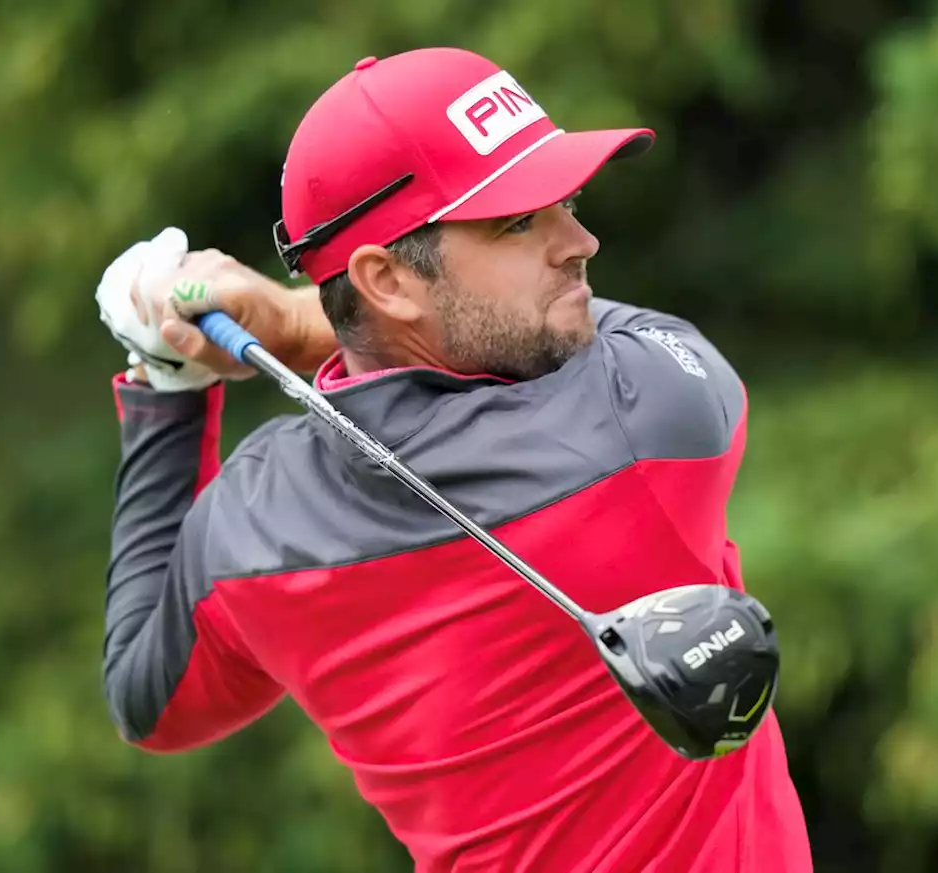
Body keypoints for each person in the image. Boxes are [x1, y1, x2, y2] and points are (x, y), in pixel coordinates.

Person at [95, 46, 813, 873]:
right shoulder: (644, 424)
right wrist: (288, 321)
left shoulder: (252, 523)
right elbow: (596, 338)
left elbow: (146, 703)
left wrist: (167, 382)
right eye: (518, 222)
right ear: (387, 280)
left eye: (566, 201)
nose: (581, 241)